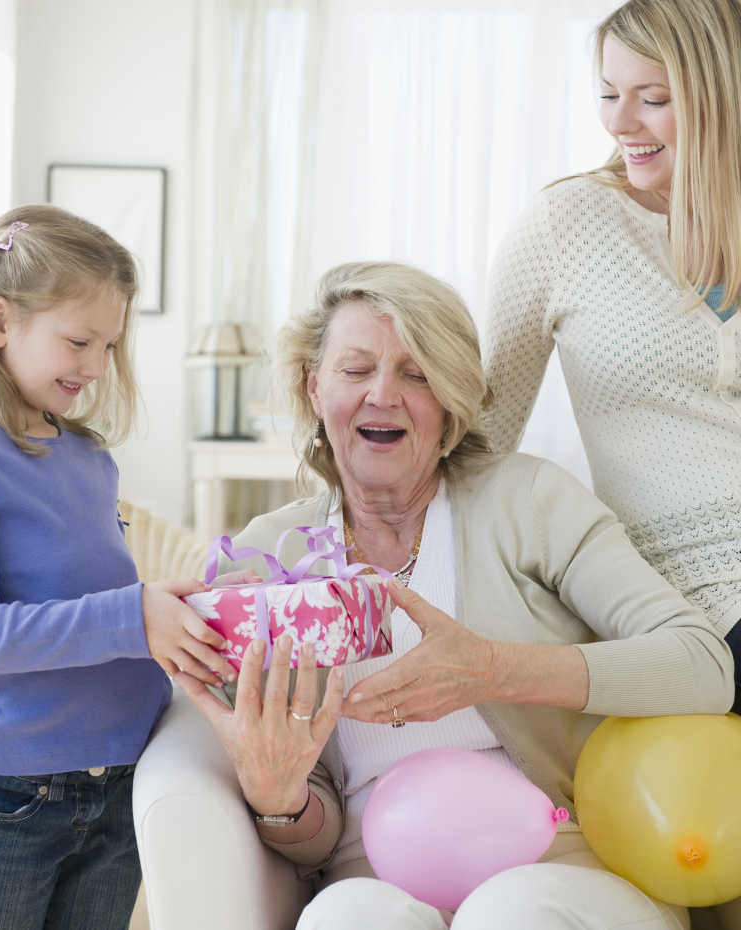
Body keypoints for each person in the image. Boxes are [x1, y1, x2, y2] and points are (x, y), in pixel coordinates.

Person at [177, 260, 734, 930]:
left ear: (450, 405)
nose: (384, 393)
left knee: (511, 913)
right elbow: (313, 835)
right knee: (344, 918)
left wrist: (491, 670)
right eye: (357, 370)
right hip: (371, 867)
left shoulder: (527, 500)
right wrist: (279, 796)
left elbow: (704, 666)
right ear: (315, 388)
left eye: (417, 374)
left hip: (561, 859)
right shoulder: (274, 554)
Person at [0, 205, 254, 930]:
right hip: (11, 796)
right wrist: (135, 614)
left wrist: (195, 611)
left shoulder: (91, 459)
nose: (97, 367)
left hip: (122, 781)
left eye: (109, 344)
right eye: (79, 341)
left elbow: (103, 604)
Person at [480, 0, 741, 709]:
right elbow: (480, 435)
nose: (619, 122)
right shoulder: (569, 224)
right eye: (607, 93)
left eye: (653, 99)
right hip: (694, 601)